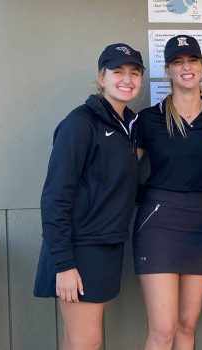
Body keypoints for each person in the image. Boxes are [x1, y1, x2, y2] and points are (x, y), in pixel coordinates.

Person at [33, 43, 144, 349]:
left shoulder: (128, 127)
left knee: (77, 341)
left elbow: (117, 187)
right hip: (78, 249)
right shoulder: (80, 123)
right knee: (88, 343)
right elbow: (55, 196)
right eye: (117, 71)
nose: (126, 79)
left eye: (134, 72)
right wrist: (65, 264)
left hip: (106, 245)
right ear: (101, 78)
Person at [133, 34, 202, 350]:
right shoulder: (149, 119)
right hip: (159, 223)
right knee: (163, 330)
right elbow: (123, 173)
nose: (186, 68)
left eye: (192, 61)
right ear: (168, 70)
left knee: (187, 325)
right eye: (178, 62)